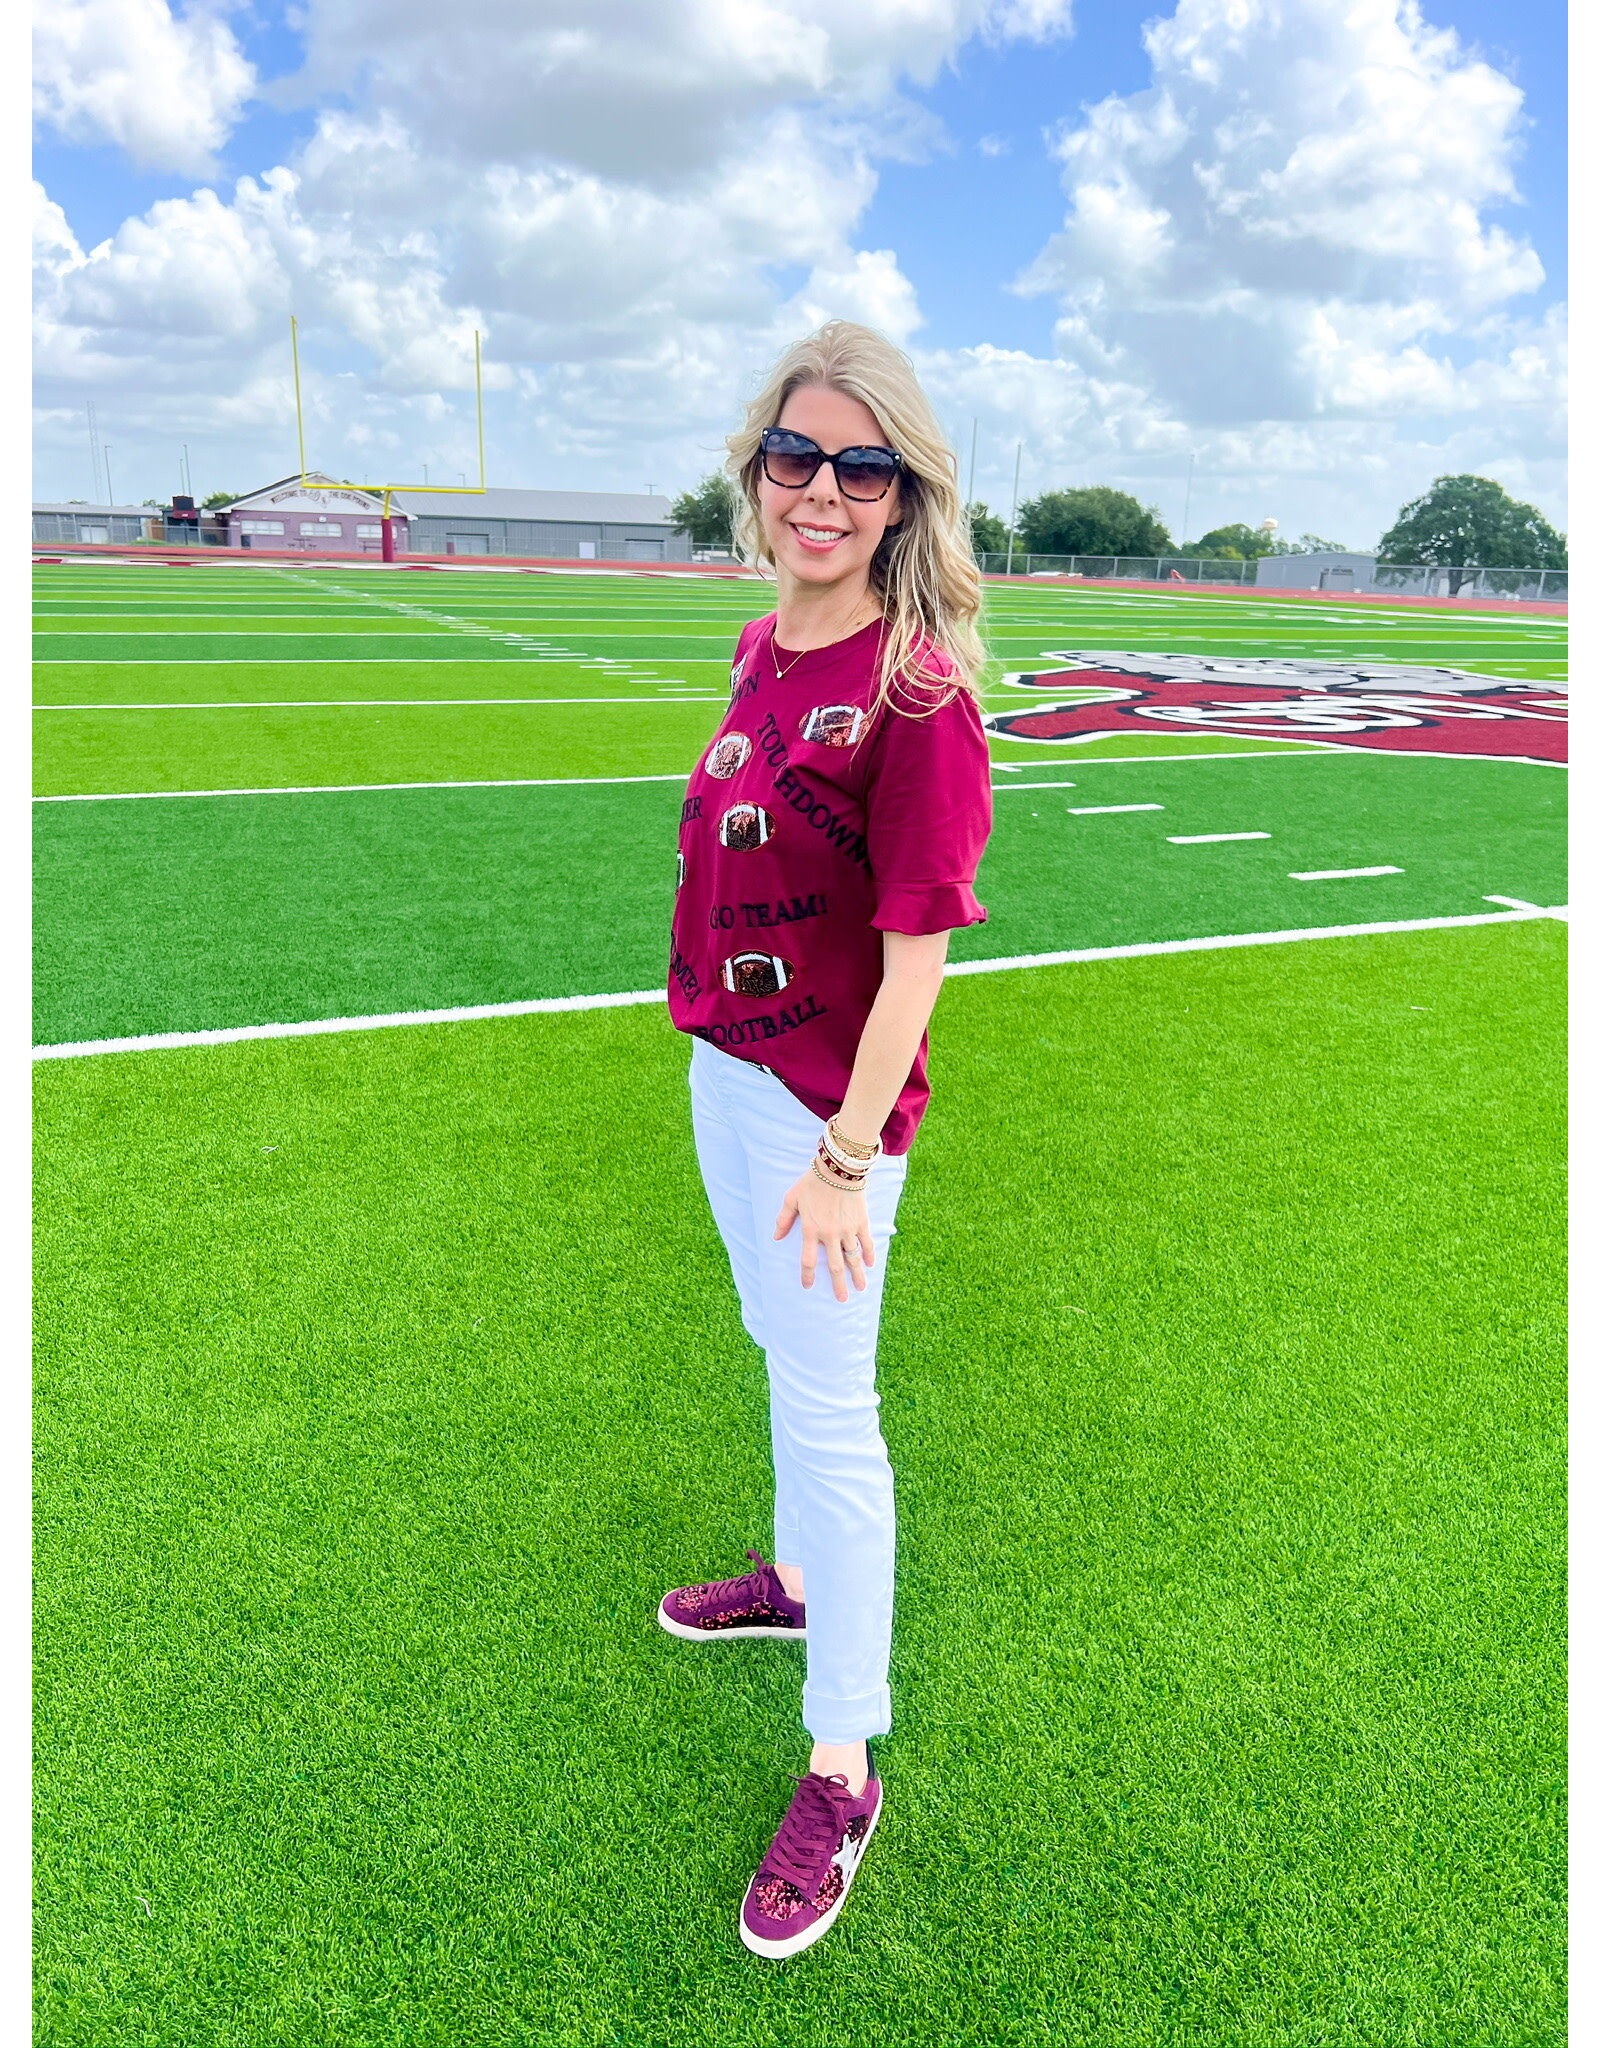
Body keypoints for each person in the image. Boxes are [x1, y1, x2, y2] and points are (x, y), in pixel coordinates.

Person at [657, 320, 993, 1959]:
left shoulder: (915, 691)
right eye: (799, 457)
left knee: (833, 1405)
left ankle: (841, 1764)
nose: (824, 492)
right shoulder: (758, 647)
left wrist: (849, 1151)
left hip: (822, 1115)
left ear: (901, 493)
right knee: (774, 1347)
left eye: (863, 468)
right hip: (728, 1071)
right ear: (757, 470)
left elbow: (921, 947)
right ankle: (789, 1579)